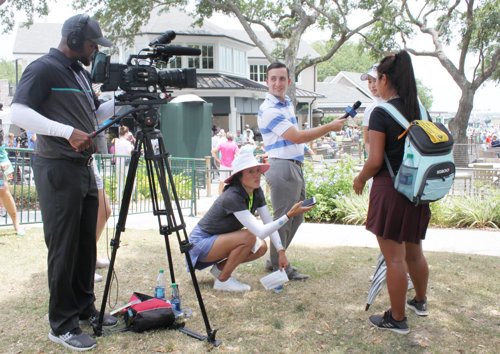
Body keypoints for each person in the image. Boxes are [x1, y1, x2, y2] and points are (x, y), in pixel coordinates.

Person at [10, 14, 117, 351]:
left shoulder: (80, 74)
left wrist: (132, 100)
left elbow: (96, 114)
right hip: (57, 167)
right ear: (72, 39)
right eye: (90, 44)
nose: (93, 50)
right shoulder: (42, 68)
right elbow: (18, 113)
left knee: (86, 243)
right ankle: (62, 324)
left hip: (83, 168)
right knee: (64, 246)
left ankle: (84, 308)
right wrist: (66, 131)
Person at [353, 50, 430, 335]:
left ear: (385, 78)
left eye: (378, 78)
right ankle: (420, 301)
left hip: (391, 190)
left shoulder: (381, 112)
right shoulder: (421, 110)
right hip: (418, 192)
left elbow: (375, 161)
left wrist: (360, 179)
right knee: (414, 252)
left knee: (394, 258)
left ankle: (397, 318)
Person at [258, 62, 346, 280]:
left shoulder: (285, 103)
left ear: (289, 82)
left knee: (297, 217)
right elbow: (296, 136)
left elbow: (293, 138)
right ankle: (280, 265)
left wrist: (305, 150)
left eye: (282, 79)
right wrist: (329, 127)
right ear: (266, 82)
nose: (278, 83)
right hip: (282, 167)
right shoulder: (269, 109)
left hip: (292, 165)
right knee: (285, 218)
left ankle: (275, 260)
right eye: (273, 79)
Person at [188, 153, 313, 292]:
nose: (257, 175)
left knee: (261, 247)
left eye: (258, 170)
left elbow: (268, 222)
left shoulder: (256, 191)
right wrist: (289, 215)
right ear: (239, 176)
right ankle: (223, 280)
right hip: (199, 243)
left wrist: (281, 251)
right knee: (249, 236)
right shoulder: (232, 196)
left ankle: (220, 270)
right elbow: (260, 231)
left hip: (216, 242)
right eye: (251, 171)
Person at [361, 64, 383, 155]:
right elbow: (367, 141)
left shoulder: (395, 104)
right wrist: (373, 158)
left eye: (375, 80)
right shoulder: (369, 109)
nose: (372, 86)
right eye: (369, 82)